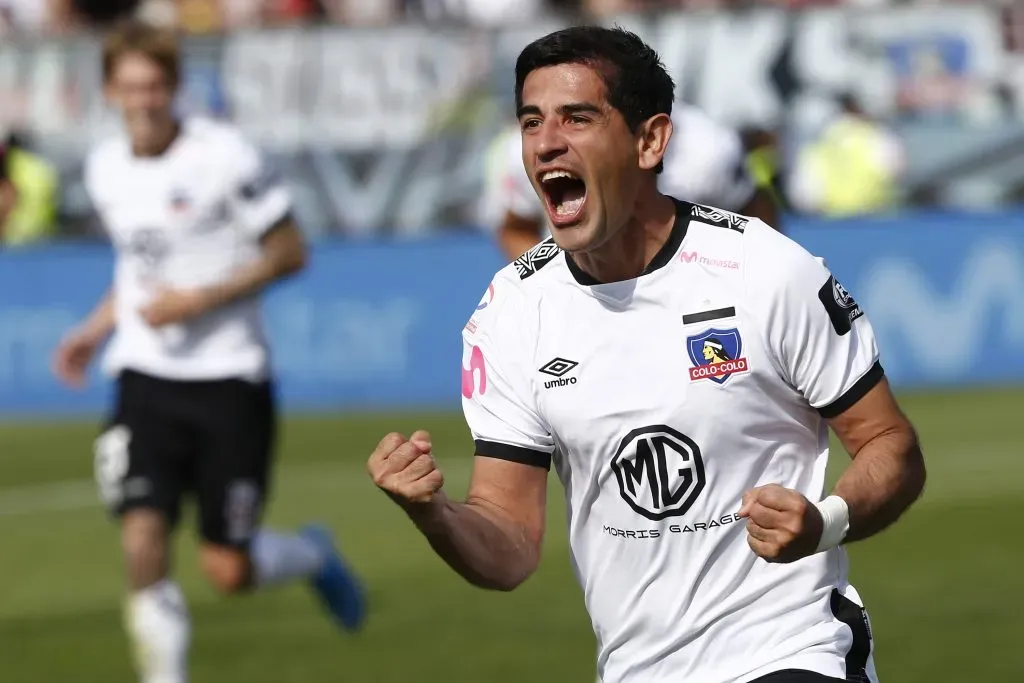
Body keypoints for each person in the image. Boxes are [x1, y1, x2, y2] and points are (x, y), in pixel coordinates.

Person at [368, 26, 926, 683]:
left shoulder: (764, 270)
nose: (547, 141)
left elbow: (892, 444)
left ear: (650, 140)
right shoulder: (510, 313)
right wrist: (433, 513)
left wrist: (823, 521)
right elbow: (509, 547)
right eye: (531, 121)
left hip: (790, 652)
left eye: (578, 118)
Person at [52, 21, 365, 683]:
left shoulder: (225, 156)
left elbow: (290, 251)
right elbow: (137, 272)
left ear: (175, 87)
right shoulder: (105, 167)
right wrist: (94, 328)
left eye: (156, 85)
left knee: (227, 568)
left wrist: (200, 300)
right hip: (144, 376)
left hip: (230, 379)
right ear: (110, 89)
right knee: (143, 535)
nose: (144, 99)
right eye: (131, 86)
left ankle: (312, 555)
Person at [481, 100, 780, 261]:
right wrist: (553, 287)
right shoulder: (534, 152)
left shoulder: (706, 149)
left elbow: (760, 224)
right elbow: (515, 228)